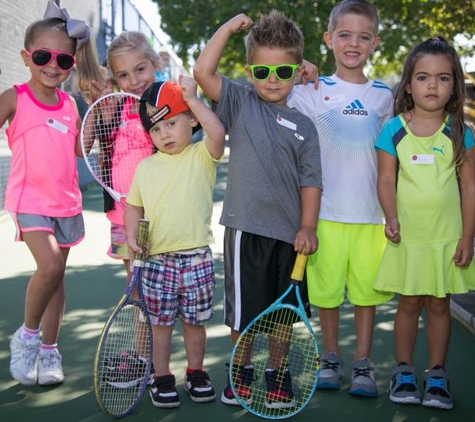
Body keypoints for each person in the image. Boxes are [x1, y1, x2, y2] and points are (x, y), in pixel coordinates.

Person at [193, 10, 322, 408]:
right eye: (262, 71)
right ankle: (241, 371)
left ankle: (277, 375)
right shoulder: (239, 101)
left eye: (282, 72)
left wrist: (307, 226)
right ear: (249, 72)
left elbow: (311, 181)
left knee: (281, 318)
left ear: (297, 71)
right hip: (244, 232)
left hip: (289, 237)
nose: (271, 80)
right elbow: (201, 72)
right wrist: (230, 27)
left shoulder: (305, 126)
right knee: (244, 316)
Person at [287, 0, 394, 398]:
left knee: (366, 296)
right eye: (345, 35)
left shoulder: (385, 97)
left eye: (363, 36)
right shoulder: (311, 91)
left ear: (375, 43)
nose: (354, 43)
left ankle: (362, 362)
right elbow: (271, 94)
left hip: (370, 217)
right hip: (323, 215)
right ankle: (330, 356)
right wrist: (300, 70)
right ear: (329, 39)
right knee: (328, 294)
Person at [0, 1, 103, 386]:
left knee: (57, 279)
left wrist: (94, 112)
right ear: (27, 57)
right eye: (43, 55)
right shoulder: (15, 97)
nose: (52, 65)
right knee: (50, 265)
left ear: (72, 64)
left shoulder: (70, 105)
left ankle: (49, 350)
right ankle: (26, 337)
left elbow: (80, 149)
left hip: (66, 203)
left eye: (63, 60)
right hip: (28, 202)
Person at [375, 36, 475, 410]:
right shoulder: (393, 130)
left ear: (454, 85)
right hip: (409, 238)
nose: (432, 85)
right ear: (408, 84)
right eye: (423, 77)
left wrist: (468, 235)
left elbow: (470, 186)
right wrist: (391, 216)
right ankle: (403, 371)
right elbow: (385, 179)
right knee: (409, 303)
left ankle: (436, 374)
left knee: (439, 303)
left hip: (447, 238)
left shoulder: (459, 131)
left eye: (443, 78)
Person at [124, 77, 226, 408]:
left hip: (196, 258)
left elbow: (218, 133)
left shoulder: (201, 155)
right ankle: (162, 376)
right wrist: (130, 235)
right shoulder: (145, 167)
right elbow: (133, 206)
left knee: (195, 323)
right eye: (156, 129)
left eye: (172, 123)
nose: (165, 134)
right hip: (157, 261)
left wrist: (193, 99)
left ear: (191, 119)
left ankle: (196, 371)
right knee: (160, 325)